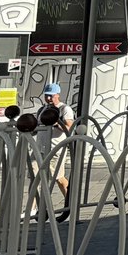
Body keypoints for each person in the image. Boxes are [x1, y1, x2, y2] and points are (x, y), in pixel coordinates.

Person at [36, 83, 75, 221]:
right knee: (35, 177)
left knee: (58, 178)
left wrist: (56, 123)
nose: (48, 99)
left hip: (55, 148)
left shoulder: (65, 109)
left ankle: (70, 203)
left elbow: (69, 127)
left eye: (51, 96)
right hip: (39, 147)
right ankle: (35, 208)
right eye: (46, 96)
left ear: (58, 95)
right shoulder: (42, 109)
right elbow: (37, 125)